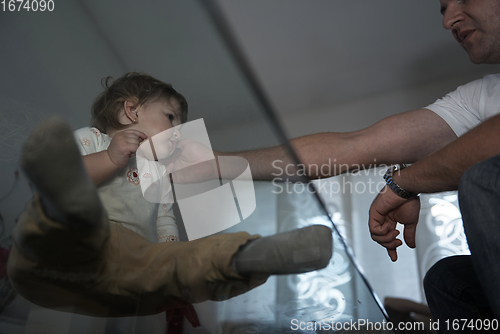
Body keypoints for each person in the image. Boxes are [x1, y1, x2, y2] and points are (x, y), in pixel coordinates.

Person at [224, 0, 500, 327]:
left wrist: (404, 184)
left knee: (482, 178)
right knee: (448, 279)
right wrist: (221, 166)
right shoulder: (481, 97)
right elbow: (353, 145)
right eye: (443, 8)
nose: (448, 19)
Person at [7, 73, 333, 324]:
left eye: (181, 124)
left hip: (108, 265)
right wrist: (109, 158)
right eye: (171, 117)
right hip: (56, 247)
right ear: (131, 110)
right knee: (57, 198)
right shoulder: (92, 139)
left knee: (158, 265)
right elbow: (64, 179)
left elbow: (165, 222)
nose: (179, 130)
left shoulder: (158, 173)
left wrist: (175, 279)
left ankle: (245, 257)